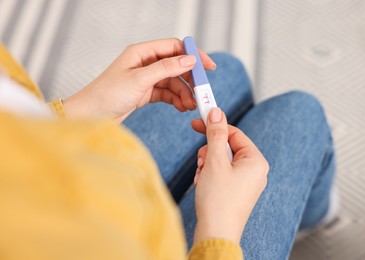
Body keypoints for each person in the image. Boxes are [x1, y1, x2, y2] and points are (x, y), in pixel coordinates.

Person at [0, 38, 336, 259]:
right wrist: (219, 231)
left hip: (78, 181)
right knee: (297, 114)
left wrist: (76, 112)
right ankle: (312, 214)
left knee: (223, 70)